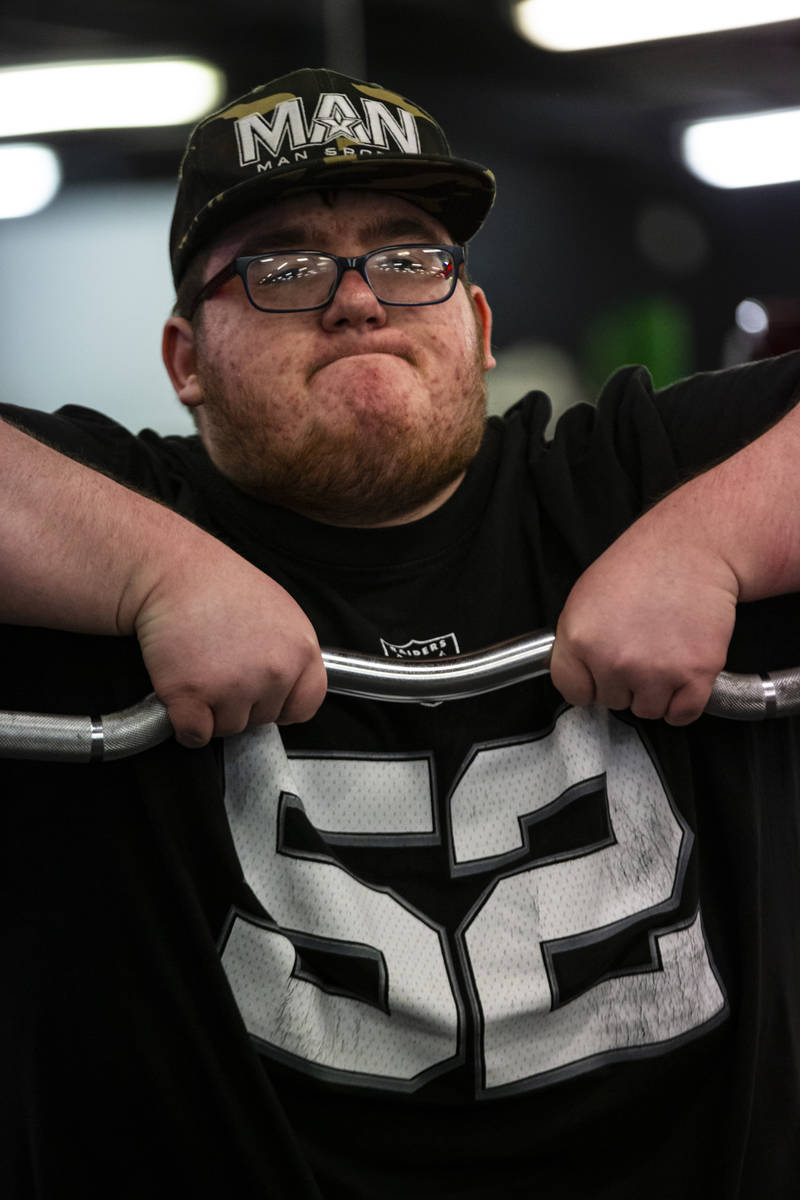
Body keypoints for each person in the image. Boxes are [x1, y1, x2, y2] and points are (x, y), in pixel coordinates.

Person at [2, 65, 800, 1200]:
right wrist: (151, 570)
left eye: (408, 255)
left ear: (474, 324)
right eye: (282, 267)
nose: (357, 299)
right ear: (187, 361)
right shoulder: (109, 519)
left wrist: (707, 545)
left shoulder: (628, 479)